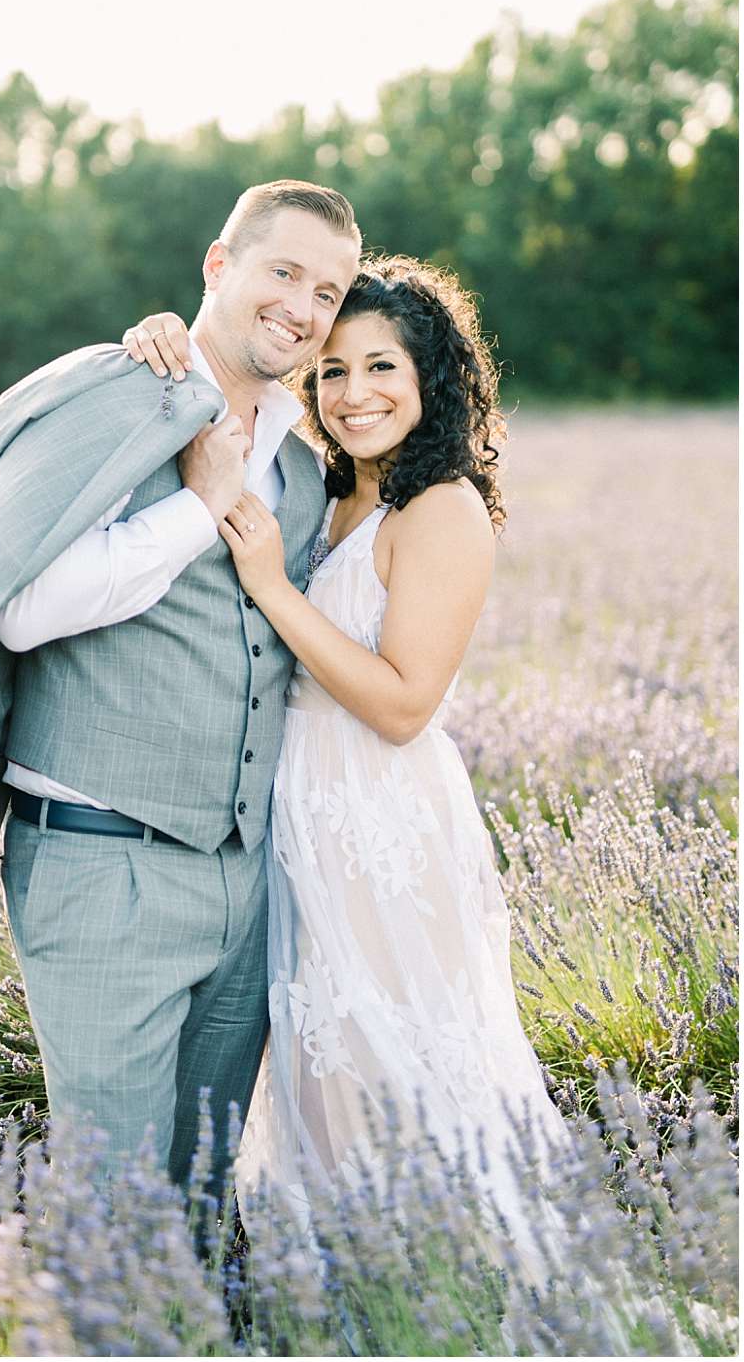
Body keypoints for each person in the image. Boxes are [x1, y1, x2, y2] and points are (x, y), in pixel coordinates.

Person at [0, 178, 362, 1196]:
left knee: (198, 1192)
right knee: (115, 1204)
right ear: (217, 267)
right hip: (106, 870)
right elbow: (21, 609)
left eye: (328, 290)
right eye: (283, 271)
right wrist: (203, 506)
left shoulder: (307, 465)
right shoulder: (107, 394)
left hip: (246, 880)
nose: (304, 307)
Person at [123, 256, 573, 1273]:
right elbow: (222, 384)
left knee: (396, 1056)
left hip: (382, 821)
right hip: (301, 815)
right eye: (331, 371)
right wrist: (162, 336)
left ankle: (456, 1287)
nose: (354, 392)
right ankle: (347, 1295)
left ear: (431, 381)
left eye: (382, 368)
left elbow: (404, 703)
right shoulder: (322, 490)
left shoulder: (441, 508)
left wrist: (268, 585)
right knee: (316, 1072)